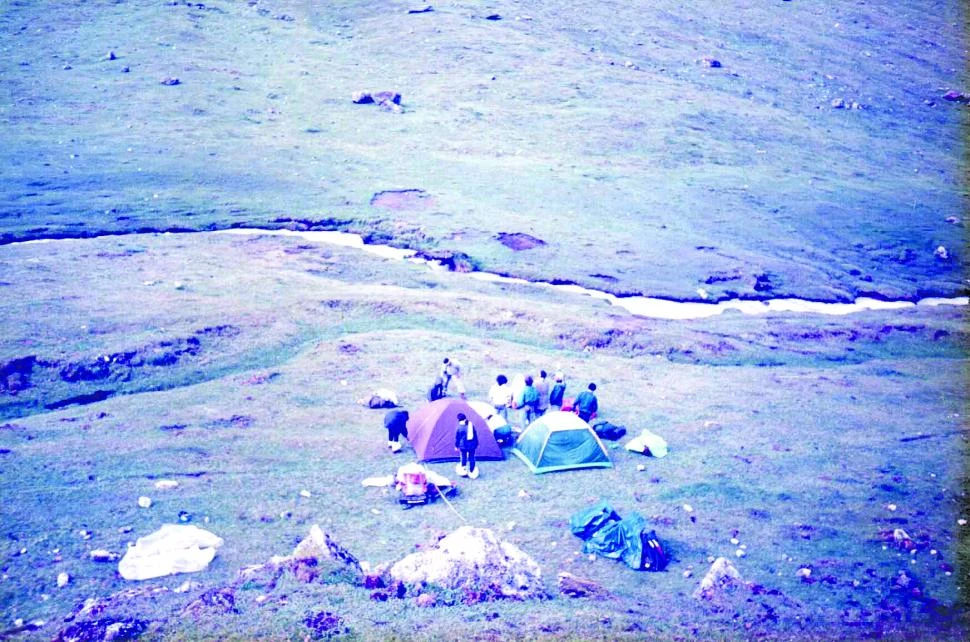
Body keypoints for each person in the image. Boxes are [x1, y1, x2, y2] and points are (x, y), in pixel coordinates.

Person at [454, 413, 479, 479]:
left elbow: (457, 438)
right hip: (471, 445)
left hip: (463, 446)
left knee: (463, 457)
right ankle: (472, 470)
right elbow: (475, 435)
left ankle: (463, 468)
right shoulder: (471, 425)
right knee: (471, 457)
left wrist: (456, 446)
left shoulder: (459, 428)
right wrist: (476, 443)